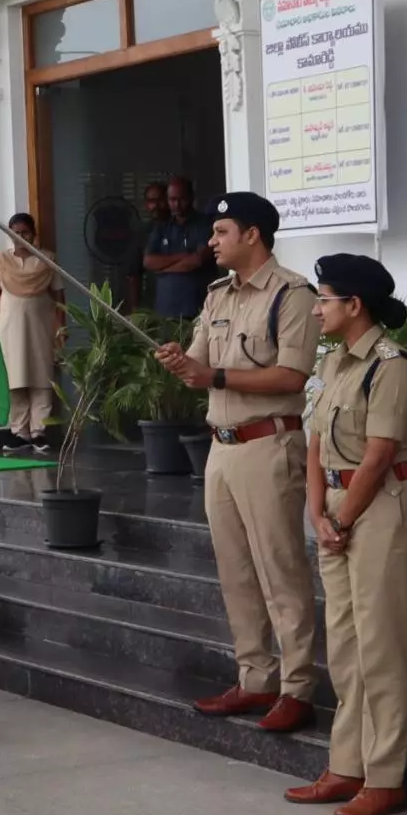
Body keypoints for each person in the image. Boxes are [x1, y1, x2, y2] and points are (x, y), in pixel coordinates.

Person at [155, 192, 322, 732]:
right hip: (221, 448)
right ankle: (255, 678)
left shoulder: (293, 294)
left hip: (268, 445)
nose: (211, 242)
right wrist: (182, 363)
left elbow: (293, 376)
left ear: (252, 235)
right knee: (236, 571)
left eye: (221, 231)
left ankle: (297, 686)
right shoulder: (216, 295)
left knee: (280, 569)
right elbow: (200, 364)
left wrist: (215, 378)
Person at [280, 256, 407, 815]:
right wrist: (318, 512)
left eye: (324, 300)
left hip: (382, 503)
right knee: (343, 641)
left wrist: (341, 519)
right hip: (337, 508)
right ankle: (346, 764)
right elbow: (315, 442)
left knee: (380, 640)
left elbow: (380, 452)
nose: (316, 309)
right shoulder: (335, 363)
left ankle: (384, 773)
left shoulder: (390, 366)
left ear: (354, 305)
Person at [0, 216, 63, 450]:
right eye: (15, 233)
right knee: (15, 379)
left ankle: (39, 432)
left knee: (41, 378)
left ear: (34, 233)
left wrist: (61, 328)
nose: (21, 238)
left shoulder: (47, 260)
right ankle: (19, 433)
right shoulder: (2, 261)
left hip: (41, 326)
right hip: (10, 328)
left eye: (25, 233)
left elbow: (59, 296)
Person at [143, 175, 213, 320]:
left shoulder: (204, 224)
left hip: (196, 307)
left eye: (181, 199)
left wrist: (162, 268)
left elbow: (196, 261)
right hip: (165, 309)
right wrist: (183, 256)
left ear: (191, 197)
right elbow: (148, 261)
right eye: (172, 200)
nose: (177, 204)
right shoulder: (162, 226)